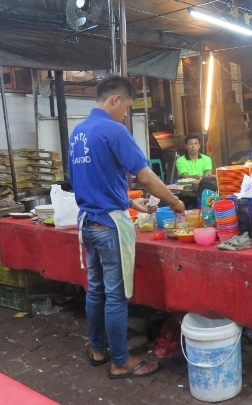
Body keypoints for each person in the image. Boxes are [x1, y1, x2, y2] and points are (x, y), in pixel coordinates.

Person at [68, 75, 186, 379]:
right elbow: (145, 177)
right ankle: (120, 361)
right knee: (116, 296)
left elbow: (94, 180)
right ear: (115, 100)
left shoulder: (79, 132)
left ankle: (98, 349)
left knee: (95, 291)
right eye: (126, 108)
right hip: (108, 227)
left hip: (88, 225)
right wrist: (174, 201)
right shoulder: (113, 130)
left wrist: (130, 203)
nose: (125, 115)